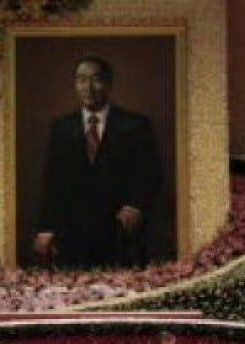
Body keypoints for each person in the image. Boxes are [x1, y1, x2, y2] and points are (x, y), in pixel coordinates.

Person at [35, 55, 163, 269]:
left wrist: (136, 205)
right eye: (81, 80)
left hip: (120, 233)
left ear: (109, 84)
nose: (89, 87)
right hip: (72, 234)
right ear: (75, 85)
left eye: (96, 79)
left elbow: (152, 173)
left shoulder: (136, 125)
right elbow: (52, 182)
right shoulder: (61, 128)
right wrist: (45, 228)